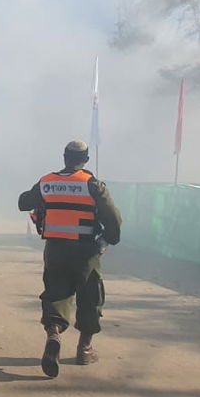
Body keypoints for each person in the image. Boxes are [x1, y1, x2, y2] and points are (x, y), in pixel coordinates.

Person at [17, 140, 122, 378]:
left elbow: (24, 202)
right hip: (86, 251)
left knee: (56, 294)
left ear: (64, 157)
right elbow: (114, 219)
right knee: (90, 297)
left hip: (55, 250)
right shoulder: (93, 185)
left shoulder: (47, 182)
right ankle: (84, 349)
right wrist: (107, 240)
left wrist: (41, 197)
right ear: (85, 159)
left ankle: (54, 334)